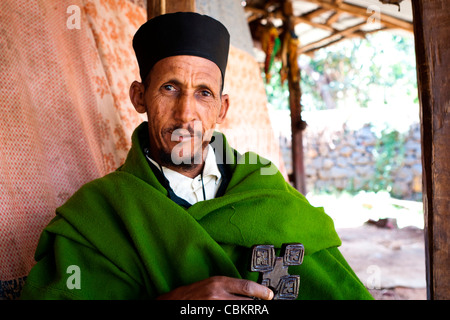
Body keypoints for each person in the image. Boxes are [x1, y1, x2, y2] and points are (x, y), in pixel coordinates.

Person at [20, 12, 373, 300]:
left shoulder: (265, 189)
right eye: (169, 88)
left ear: (222, 108)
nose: (186, 112)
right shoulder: (100, 212)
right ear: (140, 97)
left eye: (204, 93)